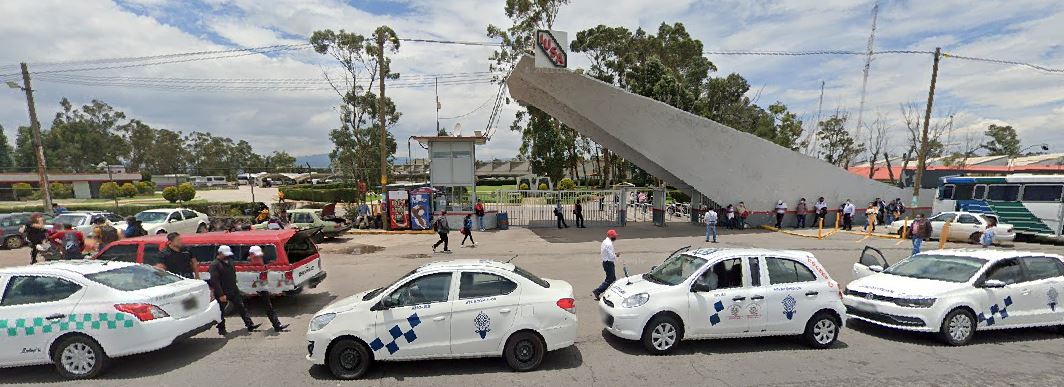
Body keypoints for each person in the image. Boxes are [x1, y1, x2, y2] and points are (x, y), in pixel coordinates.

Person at [210, 245, 262, 335]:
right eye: (225, 254)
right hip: (223, 292)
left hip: (233, 289)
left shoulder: (230, 261)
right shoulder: (215, 265)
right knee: (220, 312)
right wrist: (221, 294)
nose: (227, 256)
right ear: (220, 253)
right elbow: (215, 281)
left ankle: (249, 324)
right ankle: (222, 329)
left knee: (241, 307)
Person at [247, 246, 290, 332]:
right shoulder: (253, 264)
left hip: (263, 286)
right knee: (268, 307)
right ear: (252, 255)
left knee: (268, 307)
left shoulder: (258, 260)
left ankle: (250, 325)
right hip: (260, 287)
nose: (259, 258)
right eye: (256, 256)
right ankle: (277, 326)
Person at [591, 230, 619, 301]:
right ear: (610, 236)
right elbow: (611, 256)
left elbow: (607, 253)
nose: (615, 237)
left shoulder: (605, 241)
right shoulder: (609, 244)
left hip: (606, 262)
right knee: (610, 280)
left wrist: (614, 255)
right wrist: (616, 255)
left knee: (613, 279)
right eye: (614, 236)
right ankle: (598, 291)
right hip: (608, 263)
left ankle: (611, 294)